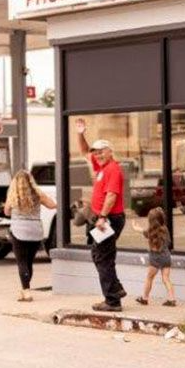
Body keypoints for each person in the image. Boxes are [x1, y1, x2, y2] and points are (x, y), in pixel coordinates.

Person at [75, 120, 126, 312]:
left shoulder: (113, 169)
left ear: (110, 152)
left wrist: (102, 217)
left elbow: (112, 196)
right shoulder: (102, 167)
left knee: (103, 257)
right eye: (96, 152)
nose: (97, 155)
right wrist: (80, 134)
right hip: (104, 218)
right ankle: (116, 290)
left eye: (101, 151)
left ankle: (112, 301)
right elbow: (84, 152)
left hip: (109, 219)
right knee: (100, 255)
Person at [3, 168, 57, 302]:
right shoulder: (38, 194)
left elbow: (6, 212)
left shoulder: (13, 196)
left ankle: (26, 292)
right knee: (29, 262)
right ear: (31, 181)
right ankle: (24, 290)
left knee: (22, 262)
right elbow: (52, 205)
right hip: (35, 232)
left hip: (19, 232)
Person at [132, 207, 176, 306]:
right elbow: (169, 242)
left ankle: (145, 298)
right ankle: (172, 299)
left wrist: (135, 226)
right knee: (166, 279)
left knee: (149, 278)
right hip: (166, 256)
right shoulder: (165, 229)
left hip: (155, 258)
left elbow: (140, 230)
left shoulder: (150, 232)